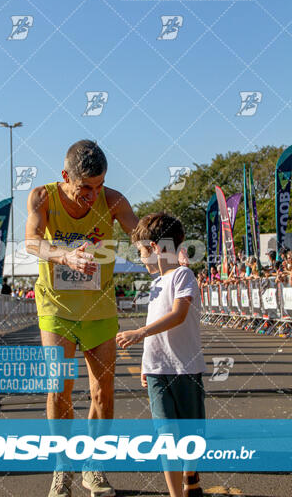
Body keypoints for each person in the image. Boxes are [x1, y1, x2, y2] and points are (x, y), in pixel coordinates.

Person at [25, 140, 138, 497]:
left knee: (102, 391)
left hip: (99, 308)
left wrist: (167, 248)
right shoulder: (43, 196)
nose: (93, 196)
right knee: (59, 388)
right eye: (85, 188)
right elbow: (31, 241)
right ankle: (62, 468)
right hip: (56, 307)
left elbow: (140, 234)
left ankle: (94, 467)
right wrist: (65, 257)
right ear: (65, 177)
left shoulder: (114, 201)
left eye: (99, 186)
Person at [116, 212, 206, 497]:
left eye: (142, 252)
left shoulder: (182, 275)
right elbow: (156, 332)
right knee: (165, 436)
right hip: (157, 371)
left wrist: (139, 332)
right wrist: (145, 365)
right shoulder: (155, 284)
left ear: (155, 247)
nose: (142, 259)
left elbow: (178, 315)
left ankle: (190, 474)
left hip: (186, 369)